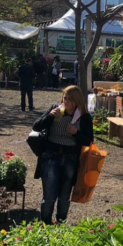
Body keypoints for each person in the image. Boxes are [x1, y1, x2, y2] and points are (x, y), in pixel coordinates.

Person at [32, 86, 94, 224]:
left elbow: (89, 141)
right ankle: (45, 223)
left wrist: (76, 133)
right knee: (49, 194)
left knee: (64, 195)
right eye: (65, 98)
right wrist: (49, 116)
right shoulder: (56, 109)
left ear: (77, 101)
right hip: (50, 156)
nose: (66, 102)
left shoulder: (83, 117)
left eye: (70, 100)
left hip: (70, 157)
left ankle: (61, 223)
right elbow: (36, 127)